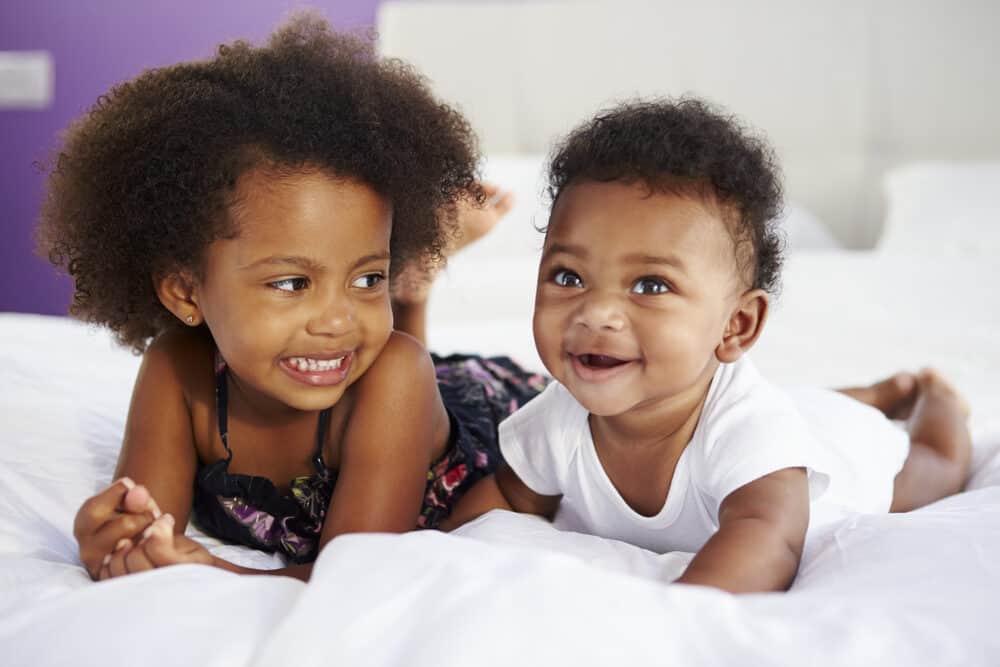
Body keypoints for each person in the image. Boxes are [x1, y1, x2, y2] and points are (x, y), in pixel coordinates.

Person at [37, 14, 544, 583]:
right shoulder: (176, 370)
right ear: (185, 292)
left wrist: (215, 570)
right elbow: (151, 527)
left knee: (404, 359)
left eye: (368, 278)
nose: (335, 319)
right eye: (291, 283)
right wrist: (116, 539)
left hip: (469, 404)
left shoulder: (394, 374)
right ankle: (412, 286)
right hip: (393, 392)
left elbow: (354, 572)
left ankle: (412, 286)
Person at [443, 99, 973, 593]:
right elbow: (509, 498)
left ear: (736, 326)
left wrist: (675, 619)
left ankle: (930, 395)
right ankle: (876, 390)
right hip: (794, 409)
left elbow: (769, 536)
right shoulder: (559, 418)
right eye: (568, 275)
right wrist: (438, 559)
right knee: (799, 402)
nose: (596, 312)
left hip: (841, 447)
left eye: (650, 285)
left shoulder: (751, 433)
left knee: (932, 471)